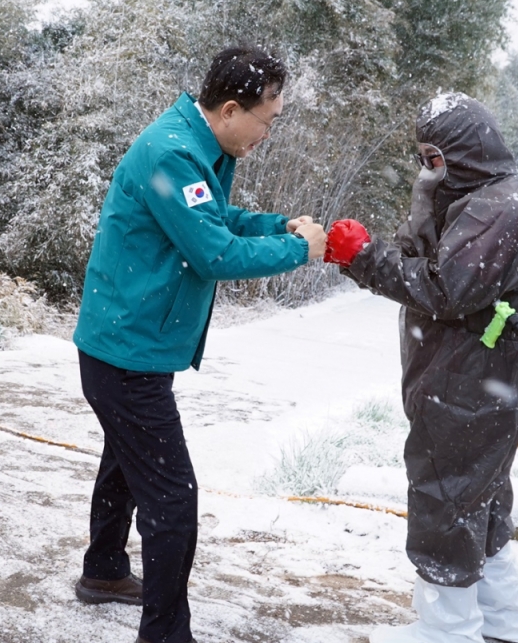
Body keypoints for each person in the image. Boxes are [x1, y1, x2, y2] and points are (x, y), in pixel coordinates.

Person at [72, 46, 327, 643]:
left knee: (125, 461)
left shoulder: (196, 143)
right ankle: (164, 633)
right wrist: (301, 250)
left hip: (125, 346)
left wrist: (277, 224)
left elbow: (213, 219)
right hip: (126, 354)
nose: (269, 133)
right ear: (233, 108)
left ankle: (104, 569)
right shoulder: (173, 152)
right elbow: (213, 253)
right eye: (268, 120)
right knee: (172, 498)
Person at [323, 93, 518, 643]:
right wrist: (424, 204)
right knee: (481, 504)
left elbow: (441, 288)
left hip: (468, 387)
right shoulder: (478, 197)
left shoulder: (500, 210)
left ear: (462, 150)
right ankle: (502, 627)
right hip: (471, 382)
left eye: (432, 156)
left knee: (446, 504)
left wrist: (361, 257)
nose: (427, 167)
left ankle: (445, 632)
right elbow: (422, 258)